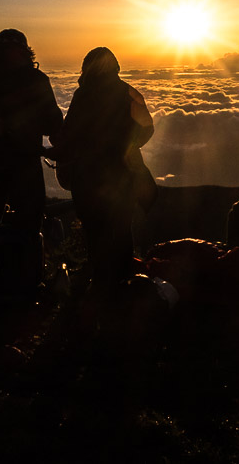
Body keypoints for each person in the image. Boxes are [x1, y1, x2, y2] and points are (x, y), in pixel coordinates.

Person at [48, 47, 155, 299]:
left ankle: (100, 290)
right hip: (123, 177)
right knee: (120, 229)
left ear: (88, 68)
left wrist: (58, 152)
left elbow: (69, 135)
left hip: (88, 177)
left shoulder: (84, 95)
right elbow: (147, 129)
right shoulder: (129, 93)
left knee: (95, 232)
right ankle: (123, 288)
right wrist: (127, 147)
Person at [0, 29, 63, 233]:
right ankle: (25, 260)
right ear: (26, 52)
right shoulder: (35, 79)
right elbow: (52, 123)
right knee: (28, 229)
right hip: (25, 164)